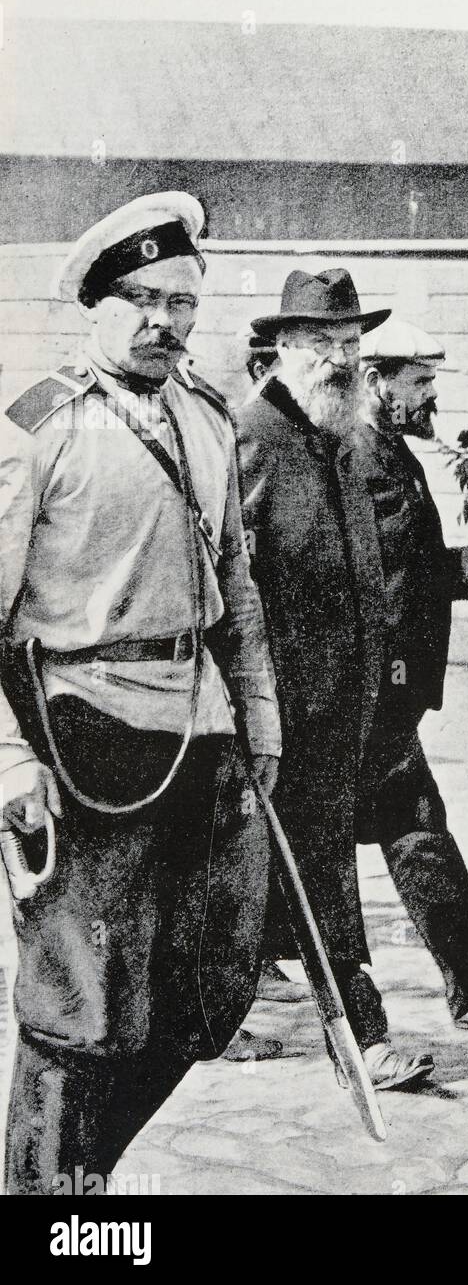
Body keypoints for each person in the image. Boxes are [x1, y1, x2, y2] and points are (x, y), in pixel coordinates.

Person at [0, 192, 280, 1193]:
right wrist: (8, 764)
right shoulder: (38, 429)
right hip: (85, 733)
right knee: (80, 1010)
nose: (168, 321)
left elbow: (237, 590)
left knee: (207, 992)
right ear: (95, 305)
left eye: (184, 303)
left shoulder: (206, 418)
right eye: (146, 299)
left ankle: (83, 1171)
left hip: (201, 727)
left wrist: (261, 716)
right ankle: (53, 1203)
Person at [237, 273, 449, 1090]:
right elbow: (231, 585)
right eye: (321, 345)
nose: (340, 360)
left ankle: (211, 1020)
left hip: (344, 709)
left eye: (352, 345)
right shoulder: (252, 440)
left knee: (295, 873)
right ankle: (363, 1040)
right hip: (280, 712)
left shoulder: (344, 438)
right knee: (314, 879)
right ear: (282, 351)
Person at [352, 316, 468, 1033]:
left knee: (413, 834)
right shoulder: (366, 457)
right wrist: (460, 567)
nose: (430, 399)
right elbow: (385, 581)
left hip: (382, 696)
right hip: (371, 696)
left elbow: (404, 567)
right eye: (419, 384)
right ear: (374, 383)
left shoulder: (387, 451)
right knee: (413, 833)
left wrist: (460, 565)